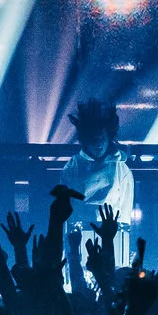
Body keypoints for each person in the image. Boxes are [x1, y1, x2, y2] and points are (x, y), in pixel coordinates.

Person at [60, 99, 138, 271]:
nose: (98, 143)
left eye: (102, 138)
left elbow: (125, 218)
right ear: (85, 140)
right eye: (94, 139)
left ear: (109, 137)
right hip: (79, 239)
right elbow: (65, 213)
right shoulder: (72, 168)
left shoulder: (121, 170)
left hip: (113, 238)